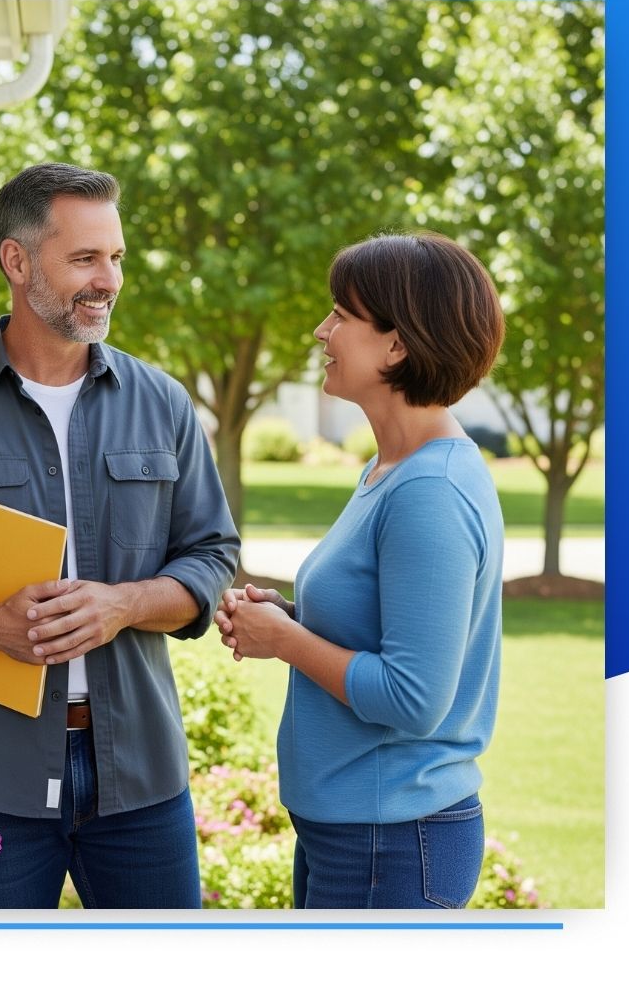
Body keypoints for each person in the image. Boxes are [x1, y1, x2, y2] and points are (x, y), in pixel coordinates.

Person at [0, 162, 239, 908]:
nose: (110, 279)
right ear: (17, 261)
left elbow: (213, 553)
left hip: (142, 780)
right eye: (85, 258)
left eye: (116, 257)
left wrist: (123, 605)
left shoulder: (162, 403)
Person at [215, 231, 505, 909]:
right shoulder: (389, 470)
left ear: (397, 345)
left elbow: (413, 696)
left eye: (341, 315)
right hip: (356, 833)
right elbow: (382, 631)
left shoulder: (429, 491)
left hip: (393, 841)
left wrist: (285, 641)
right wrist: (283, 620)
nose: (323, 330)